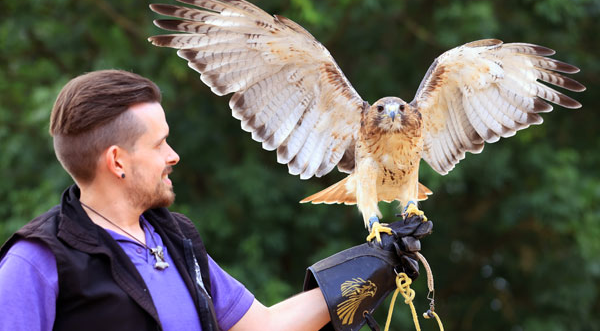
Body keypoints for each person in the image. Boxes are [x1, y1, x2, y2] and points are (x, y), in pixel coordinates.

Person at [0, 70, 430, 331]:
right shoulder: (37, 263)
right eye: (160, 144)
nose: (174, 155)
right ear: (117, 161)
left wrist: (377, 265)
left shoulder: (174, 240)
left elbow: (262, 327)